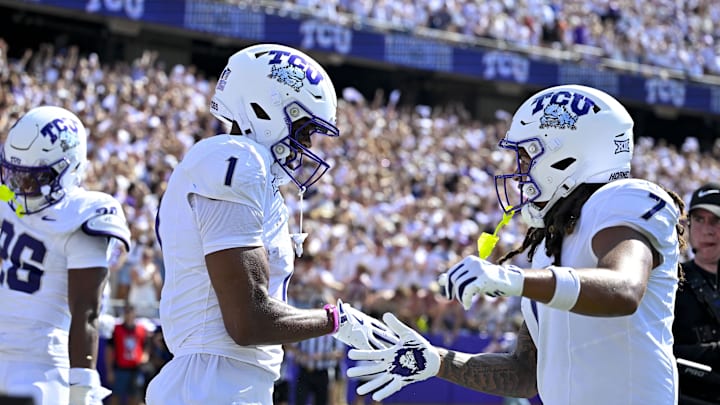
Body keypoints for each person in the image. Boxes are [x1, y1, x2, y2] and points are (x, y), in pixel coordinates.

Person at [344, 85, 687, 405]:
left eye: (527, 155)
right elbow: (526, 372)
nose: (520, 170)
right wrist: (438, 362)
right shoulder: (547, 246)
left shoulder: (624, 198)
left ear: (569, 155)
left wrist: (513, 281)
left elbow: (624, 289)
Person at [144, 43, 398, 405]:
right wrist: (338, 321)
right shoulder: (236, 159)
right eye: (305, 126)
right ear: (265, 108)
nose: (307, 142)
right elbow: (247, 321)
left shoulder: (251, 172)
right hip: (210, 382)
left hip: (224, 381)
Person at [0, 106, 131, 405]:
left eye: (34, 178)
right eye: (15, 174)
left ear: (69, 169)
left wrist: (82, 384)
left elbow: (85, 311)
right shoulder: (8, 198)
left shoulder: (83, 213)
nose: (22, 187)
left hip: (40, 367)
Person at [673, 183, 720, 404]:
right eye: (699, 220)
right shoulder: (673, 282)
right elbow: (659, 349)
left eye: (716, 221)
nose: (707, 230)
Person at [105, 303, 150, 405]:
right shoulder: (116, 330)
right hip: (120, 369)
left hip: (136, 369)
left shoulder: (141, 330)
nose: (129, 315)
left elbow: (146, 346)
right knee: (116, 396)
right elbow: (109, 351)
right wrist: (110, 370)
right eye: (126, 312)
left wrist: (145, 356)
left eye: (130, 312)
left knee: (135, 397)